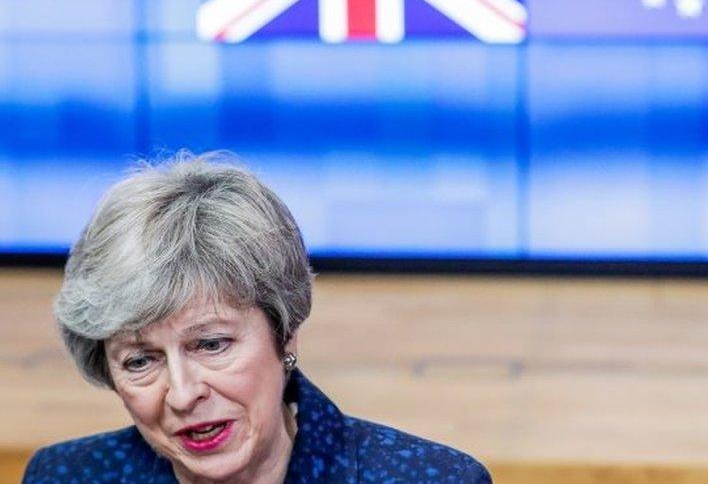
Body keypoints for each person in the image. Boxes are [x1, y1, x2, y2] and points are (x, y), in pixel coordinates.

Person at [23, 153, 492, 483]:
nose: (184, 395)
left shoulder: (431, 479)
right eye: (140, 361)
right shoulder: (63, 475)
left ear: (285, 335)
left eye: (211, 344)